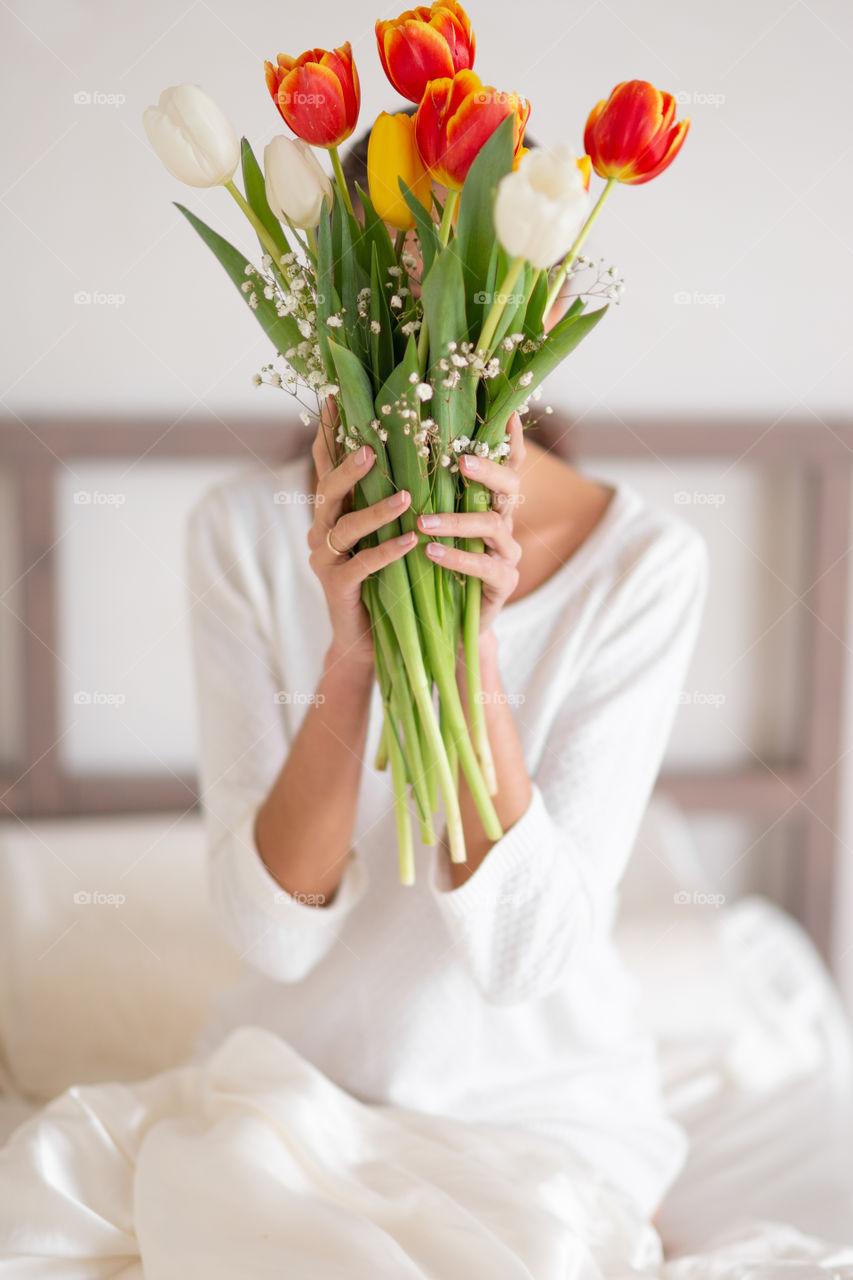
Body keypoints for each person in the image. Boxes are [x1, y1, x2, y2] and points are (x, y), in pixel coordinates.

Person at [185, 117, 710, 1230]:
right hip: (293, 1095)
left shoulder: (647, 564)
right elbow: (273, 936)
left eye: (466, 283)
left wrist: (465, 650)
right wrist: (353, 654)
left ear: (534, 303)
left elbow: (526, 959)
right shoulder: (235, 534)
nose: (422, 330)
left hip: (540, 1111)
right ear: (331, 307)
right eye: (389, 296)